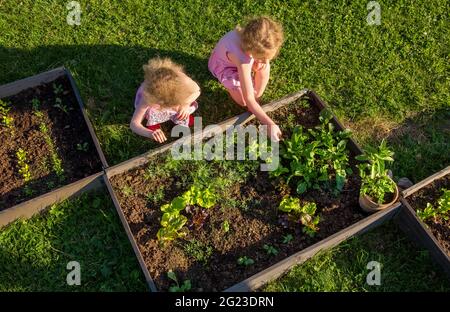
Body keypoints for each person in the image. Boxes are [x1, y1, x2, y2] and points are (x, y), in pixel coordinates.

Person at [208, 16, 284, 141]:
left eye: (268, 58)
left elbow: (261, 60)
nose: (266, 61)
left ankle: (257, 97)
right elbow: (248, 98)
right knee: (243, 100)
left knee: (263, 68)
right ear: (250, 51)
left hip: (243, 58)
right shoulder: (243, 60)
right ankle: (252, 100)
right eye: (262, 57)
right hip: (225, 67)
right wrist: (270, 124)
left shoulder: (251, 38)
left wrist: (261, 61)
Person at [130, 58, 200, 143]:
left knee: (182, 110)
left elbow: (197, 91)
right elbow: (134, 124)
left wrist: (185, 105)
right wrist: (150, 133)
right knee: (152, 111)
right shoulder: (148, 96)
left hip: (179, 100)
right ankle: (154, 123)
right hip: (154, 106)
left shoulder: (183, 80)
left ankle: (180, 115)